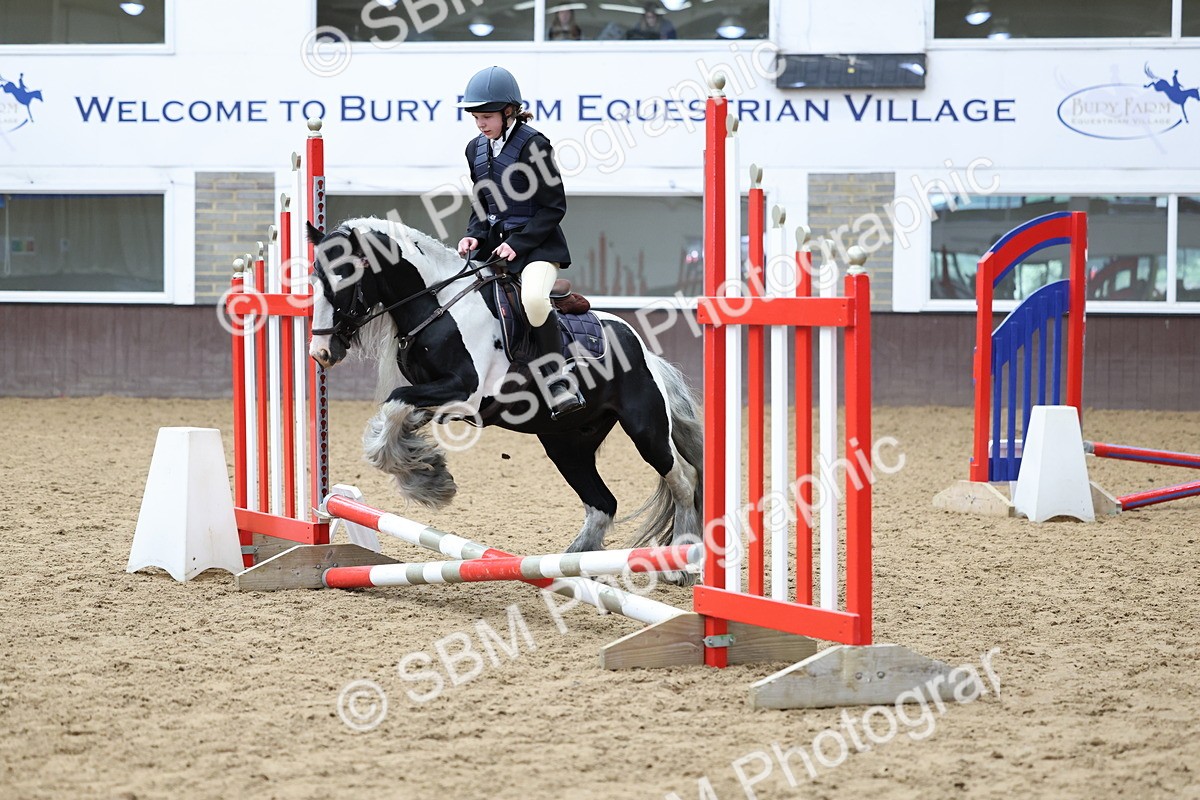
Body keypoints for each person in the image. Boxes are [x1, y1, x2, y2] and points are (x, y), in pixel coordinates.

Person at [455, 66, 586, 420]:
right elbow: (482, 204)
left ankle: (558, 379)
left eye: (487, 117)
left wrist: (520, 243)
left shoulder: (534, 145)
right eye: (476, 117)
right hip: (494, 247)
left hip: (538, 248)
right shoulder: (475, 150)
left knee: (531, 297)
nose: (481, 124)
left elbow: (553, 207)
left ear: (509, 111)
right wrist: (473, 233)